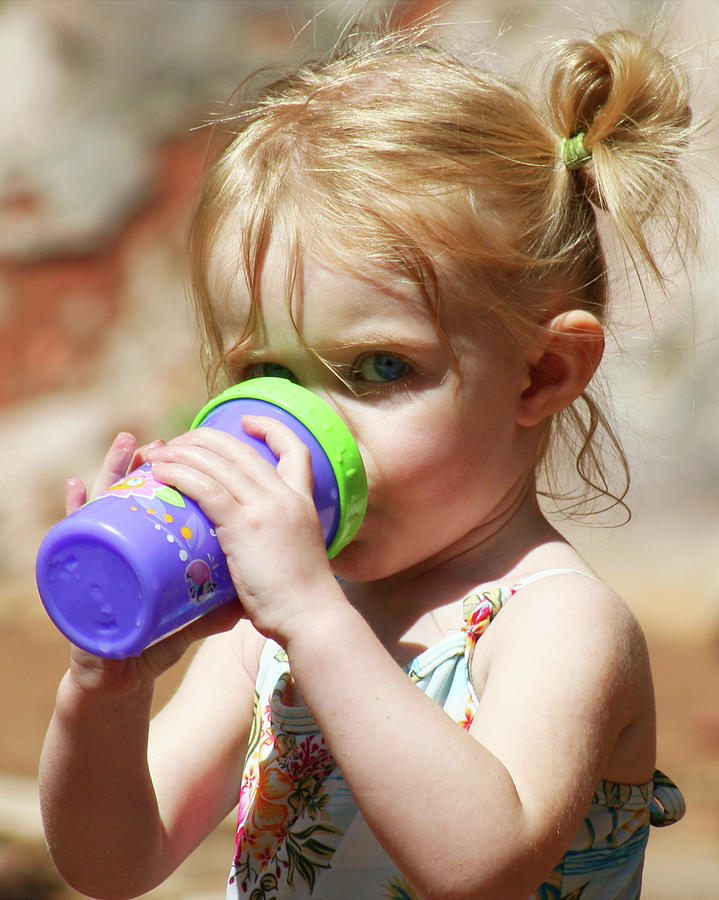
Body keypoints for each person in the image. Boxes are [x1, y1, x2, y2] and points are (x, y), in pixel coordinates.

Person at [39, 19, 697, 900]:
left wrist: (312, 618)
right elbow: (112, 864)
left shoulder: (558, 626)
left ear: (540, 374)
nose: (303, 427)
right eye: (265, 374)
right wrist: (105, 695)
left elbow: (479, 864)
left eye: (379, 368)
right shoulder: (267, 622)